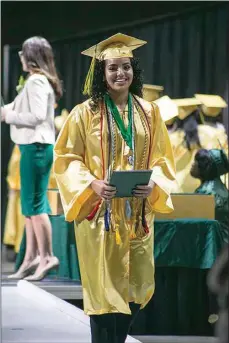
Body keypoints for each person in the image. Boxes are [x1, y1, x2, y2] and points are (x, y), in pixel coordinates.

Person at [54, 33, 176, 343]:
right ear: (101, 73)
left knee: (136, 285)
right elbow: (67, 159)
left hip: (137, 215)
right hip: (101, 215)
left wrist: (153, 184)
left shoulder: (150, 113)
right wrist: (91, 182)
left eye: (126, 67)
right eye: (113, 68)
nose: (120, 74)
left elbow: (163, 159)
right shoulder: (85, 113)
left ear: (134, 71)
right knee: (103, 290)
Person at [1, 36, 62, 281]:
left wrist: (9, 117)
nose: (20, 57)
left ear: (32, 57)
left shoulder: (37, 81)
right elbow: (14, 108)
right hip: (32, 147)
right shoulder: (34, 81)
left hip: (37, 146)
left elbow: (36, 116)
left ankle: (47, 256)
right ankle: (31, 257)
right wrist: (7, 113)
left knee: (36, 206)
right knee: (30, 207)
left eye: (23, 53)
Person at [190, 148, 229, 243]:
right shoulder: (221, 189)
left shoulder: (206, 193)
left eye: (196, 161)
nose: (193, 164)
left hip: (215, 248)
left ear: (205, 166)